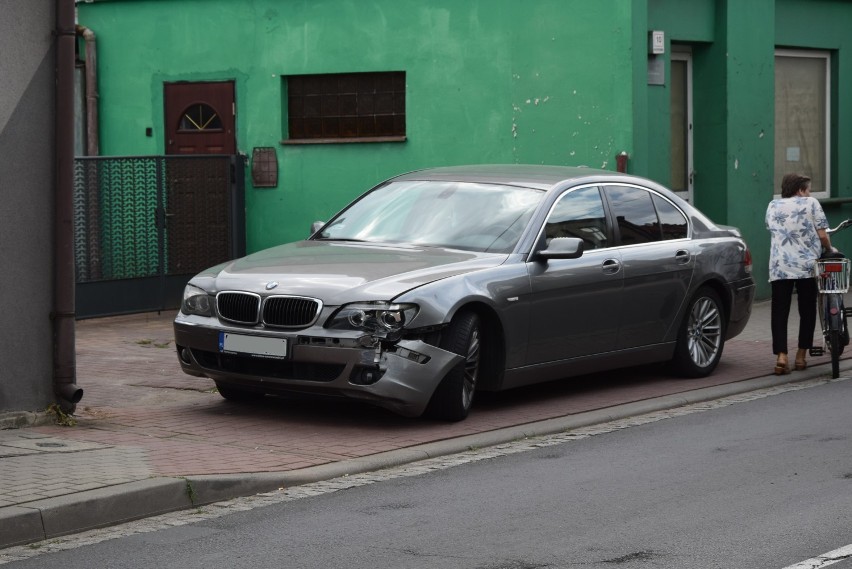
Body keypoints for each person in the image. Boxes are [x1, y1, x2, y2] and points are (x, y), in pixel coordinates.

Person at [766, 173, 832, 374]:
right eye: (808, 189)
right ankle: (801, 356)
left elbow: (772, 228)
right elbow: (822, 235)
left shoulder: (772, 205)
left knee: (779, 311)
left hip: (780, 266)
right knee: (807, 311)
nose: (809, 193)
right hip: (806, 266)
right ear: (800, 190)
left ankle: (781, 357)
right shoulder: (811, 203)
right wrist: (830, 249)